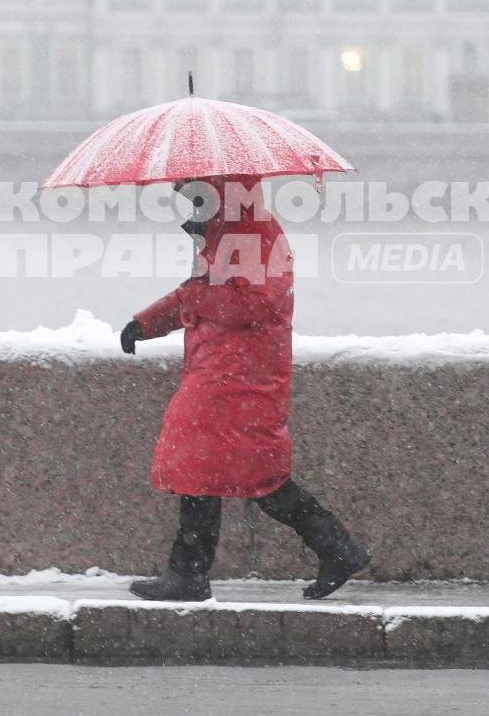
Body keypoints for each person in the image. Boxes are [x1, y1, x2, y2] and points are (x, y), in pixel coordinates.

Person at [119, 175, 371, 603]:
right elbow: (196, 295)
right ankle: (335, 548)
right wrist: (145, 323)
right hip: (222, 370)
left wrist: (198, 293)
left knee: (232, 472)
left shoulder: (253, 232)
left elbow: (252, 304)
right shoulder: (225, 230)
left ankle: (190, 573)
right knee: (235, 473)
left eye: (192, 190)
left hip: (242, 375)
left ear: (219, 188)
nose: (184, 199)